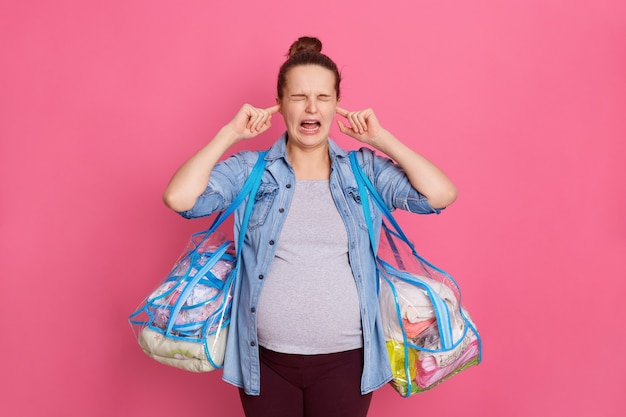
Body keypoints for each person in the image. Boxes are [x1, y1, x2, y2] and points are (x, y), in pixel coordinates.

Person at [162, 36, 457, 417]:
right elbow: (179, 199)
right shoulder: (251, 170)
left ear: (337, 104)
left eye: (323, 97)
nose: (311, 107)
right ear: (280, 104)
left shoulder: (361, 170)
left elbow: (440, 194)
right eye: (299, 97)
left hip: (347, 362)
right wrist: (230, 134)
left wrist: (381, 139)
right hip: (265, 362)